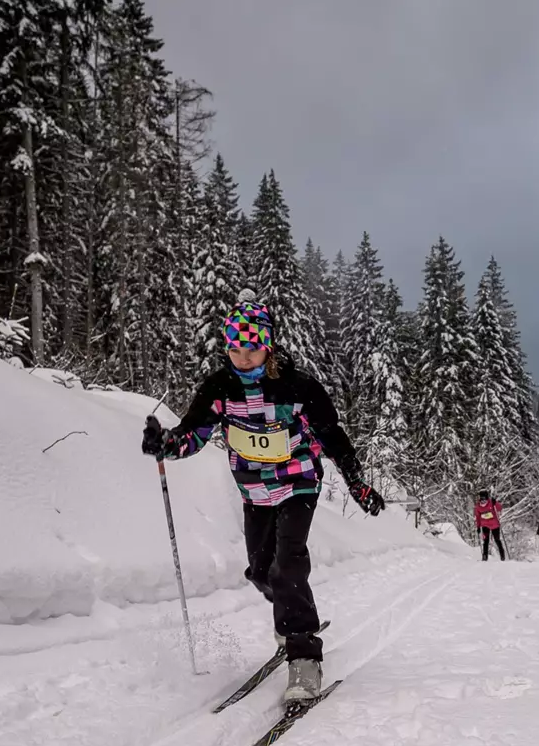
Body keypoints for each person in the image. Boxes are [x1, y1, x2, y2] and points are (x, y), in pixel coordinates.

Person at [141, 291, 385, 702]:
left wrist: (358, 483)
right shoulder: (220, 388)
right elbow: (195, 433)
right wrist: (166, 444)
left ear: (267, 344)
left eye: (250, 349)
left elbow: (331, 436)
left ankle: (304, 657)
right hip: (255, 492)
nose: (242, 358)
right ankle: (288, 608)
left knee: (288, 564)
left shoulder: (297, 387)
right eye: (234, 349)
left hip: (297, 484)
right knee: (261, 571)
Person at [473, 489, 506, 561]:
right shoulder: (478, 507)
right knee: (486, 541)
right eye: (481, 499)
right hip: (485, 525)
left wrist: (495, 502)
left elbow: (500, 508)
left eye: (484, 499)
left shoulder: (491, 503)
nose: (483, 501)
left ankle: (502, 556)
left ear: (487, 498)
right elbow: (478, 517)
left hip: (494, 525)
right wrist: (478, 527)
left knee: (497, 540)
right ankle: (484, 557)